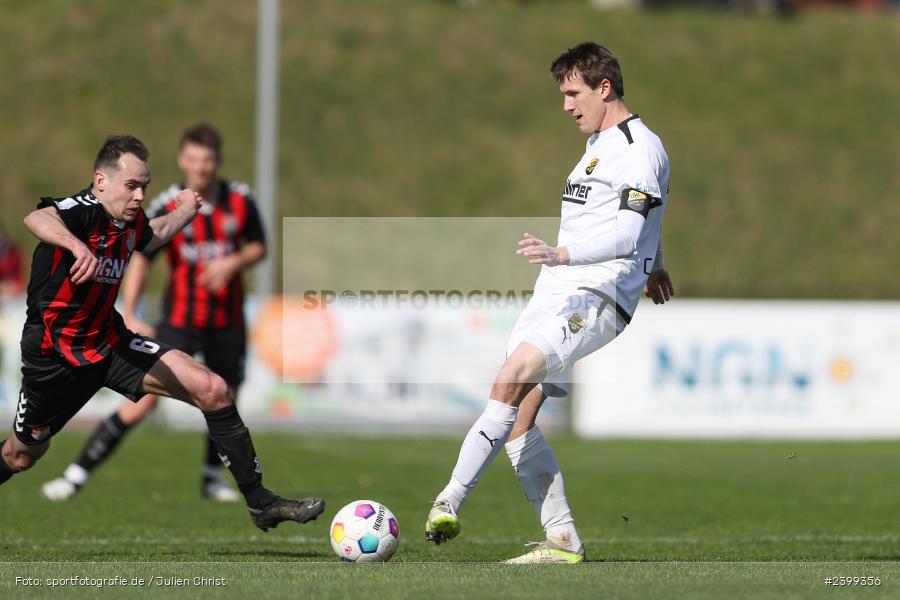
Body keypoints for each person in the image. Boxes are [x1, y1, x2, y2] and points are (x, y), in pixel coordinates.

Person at [425, 43, 674, 563]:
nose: (565, 105)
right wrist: (658, 263)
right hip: (557, 291)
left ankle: (449, 500)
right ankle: (561, 542)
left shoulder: (639, 148)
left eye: (572, 93)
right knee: (517, 420)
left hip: (596, 294)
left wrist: (565, 253)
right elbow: (634, 221)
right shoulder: (598, 142)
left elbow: (628, 234)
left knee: (511, 375)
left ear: (604, 88)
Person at [2, 134, 324, 532]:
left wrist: (185, 211)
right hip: (55, 360)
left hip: (111, 344)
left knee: (214, 389)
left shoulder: (128, 222)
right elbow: (37, 218)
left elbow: (153, 234)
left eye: (145, 187)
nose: (139, 196)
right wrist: (76, 246)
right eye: (132, 185)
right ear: (100, 181)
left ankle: (260, 502)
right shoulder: (81, 211)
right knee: (22, 456)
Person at [41, 124, 265, 503]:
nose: (202, 168)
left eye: (208, 160)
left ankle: (213, 478)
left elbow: (259, 246)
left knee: (224, 396)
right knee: (144, 402)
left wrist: (232, 263)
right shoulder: (162, 204)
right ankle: (76, 474)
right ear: (182, 160)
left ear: (218, 162)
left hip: (227, 320)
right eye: (194, 159)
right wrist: (131, 310)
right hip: (180, 318)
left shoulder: (241, 200)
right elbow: (141, 256)